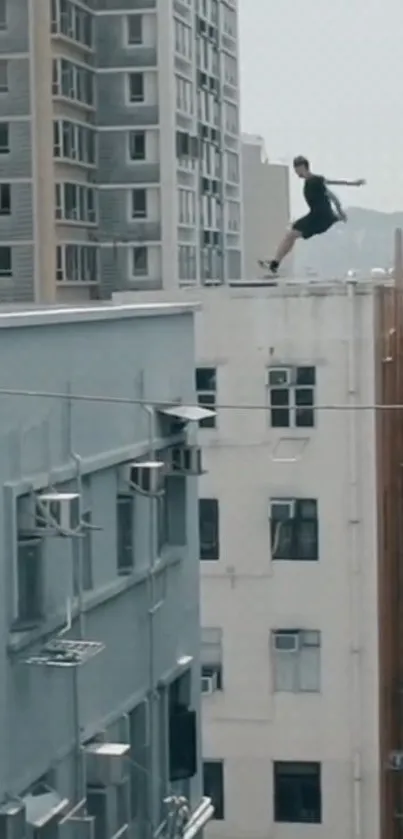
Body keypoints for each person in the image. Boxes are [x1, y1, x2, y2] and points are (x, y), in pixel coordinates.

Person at [259, 156, 366, 276]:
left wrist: (353, 185)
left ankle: (275, 264)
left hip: (319, 217)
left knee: (290, 234)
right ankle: (275, 263)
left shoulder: (316, 180)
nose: (296, 173)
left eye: (296, 170)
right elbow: (331, 193)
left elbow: (333, 193)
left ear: (302, 167)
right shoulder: (310, 182)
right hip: (319, 216)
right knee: (290, 235)